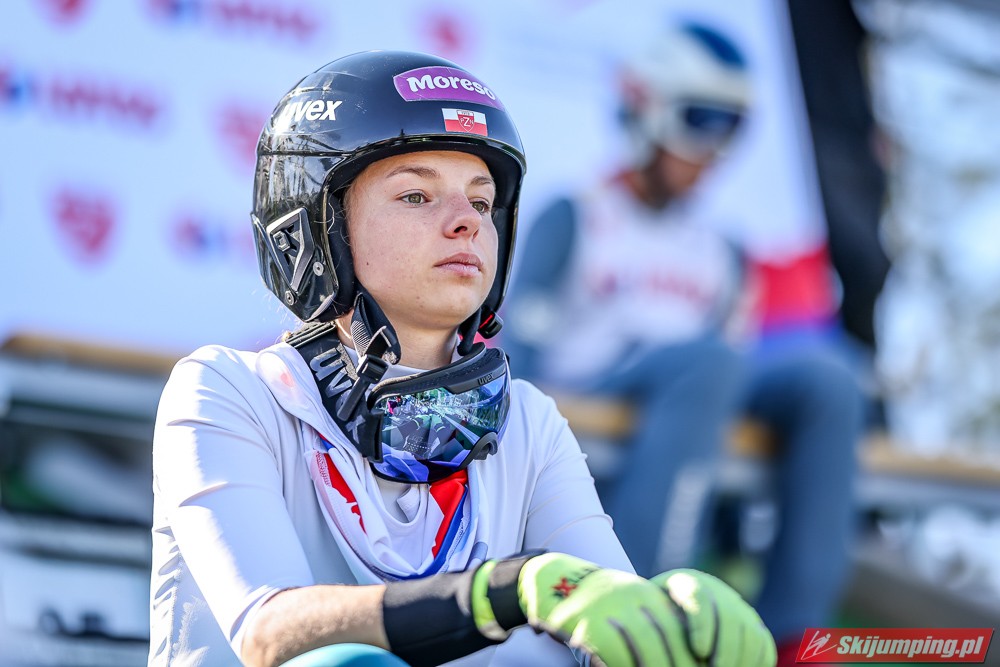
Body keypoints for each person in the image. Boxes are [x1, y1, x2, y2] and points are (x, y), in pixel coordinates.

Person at [147, 50, 776, 667]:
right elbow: (268, 633)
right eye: (416, 196)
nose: (466, 223)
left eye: (480, 201)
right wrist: (500, 591)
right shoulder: (226, 391)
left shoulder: (529, 422)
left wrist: (675, 633)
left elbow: (611, 629)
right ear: (314, 227)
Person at [502, 22, 864, 663]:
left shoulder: (723, 250)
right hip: (592, 396)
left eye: (733, 127)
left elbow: (730, 360)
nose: (713, 150)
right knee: (709, 363)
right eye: (701, 120)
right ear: (646, 108)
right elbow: (518, 363)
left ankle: (796, 638)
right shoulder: (576, 216)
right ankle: (639, 617)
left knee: (831, 379)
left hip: (695, 400)